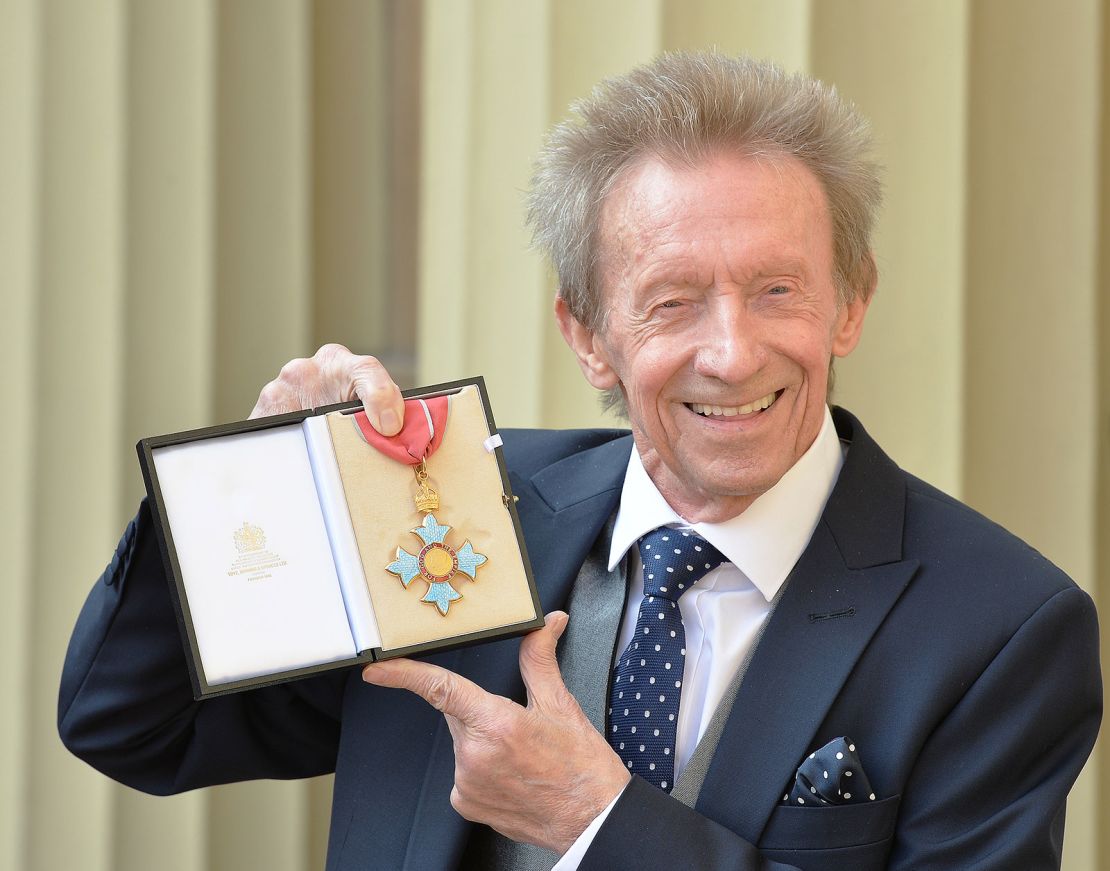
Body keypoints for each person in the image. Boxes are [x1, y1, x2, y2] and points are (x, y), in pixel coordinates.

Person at [59, 52, 1101, 870]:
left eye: (778, 289)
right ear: (587, 332)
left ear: (853, 300)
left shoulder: (1003, 627)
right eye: (672, 301)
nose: (733, 352)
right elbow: (132, 723)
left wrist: (598, 823)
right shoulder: (454, 505)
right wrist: (263, 487)